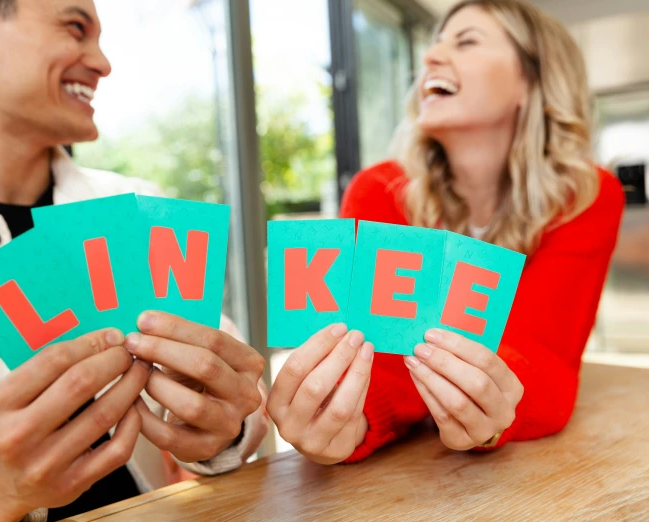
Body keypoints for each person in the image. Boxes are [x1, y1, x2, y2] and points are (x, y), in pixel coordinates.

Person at [0, 0, 268, 520]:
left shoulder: (138, 208)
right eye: (75, 27)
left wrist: (225, 424)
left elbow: (233, 411)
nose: (103, 63)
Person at [267, 0, 624, 464]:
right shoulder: (378, 192)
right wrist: (350, 421)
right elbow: (381, 367)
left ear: (530, 82)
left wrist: (491, 407)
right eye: (433, 45)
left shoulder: (588, 196)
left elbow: (547, 366)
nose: (430, 58)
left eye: (467, 41)